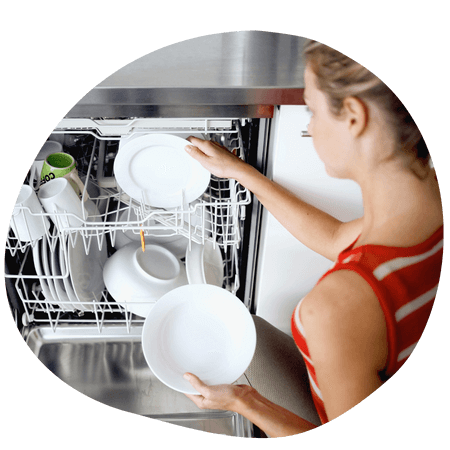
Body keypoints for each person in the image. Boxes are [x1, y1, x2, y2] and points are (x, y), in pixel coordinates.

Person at [181, 40, 444, 437]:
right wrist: (241, 173)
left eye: (312, 110)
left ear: (354, 116)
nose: (308, 126)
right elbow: (339, 237)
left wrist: (242, 401)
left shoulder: (339, 307)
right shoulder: (424, 205)